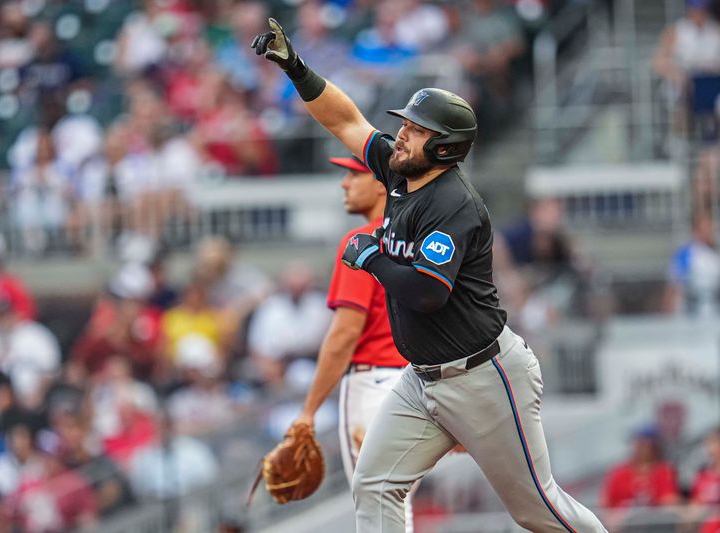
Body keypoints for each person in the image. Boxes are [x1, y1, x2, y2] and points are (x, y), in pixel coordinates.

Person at [252, 19, 607, 532]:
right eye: (406, 124)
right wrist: (295, 67)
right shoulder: (401, 170)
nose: (402, 134)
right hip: (422, 379)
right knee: (373, 483)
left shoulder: (454, 204)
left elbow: (425, 294)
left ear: (445, 147)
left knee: (537, 510)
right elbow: (347, 121)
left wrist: (369, 254)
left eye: (417, 130)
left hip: (483, 377)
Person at [289, 156, 412, 528]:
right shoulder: (413, 241)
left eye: (353, 174)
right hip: (416, 385)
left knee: (379, 508)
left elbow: (343, 335)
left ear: (380, 184)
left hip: (373, 387)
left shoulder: (363, 241)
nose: (344, 183)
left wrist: (308, 411)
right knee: (395, 505)